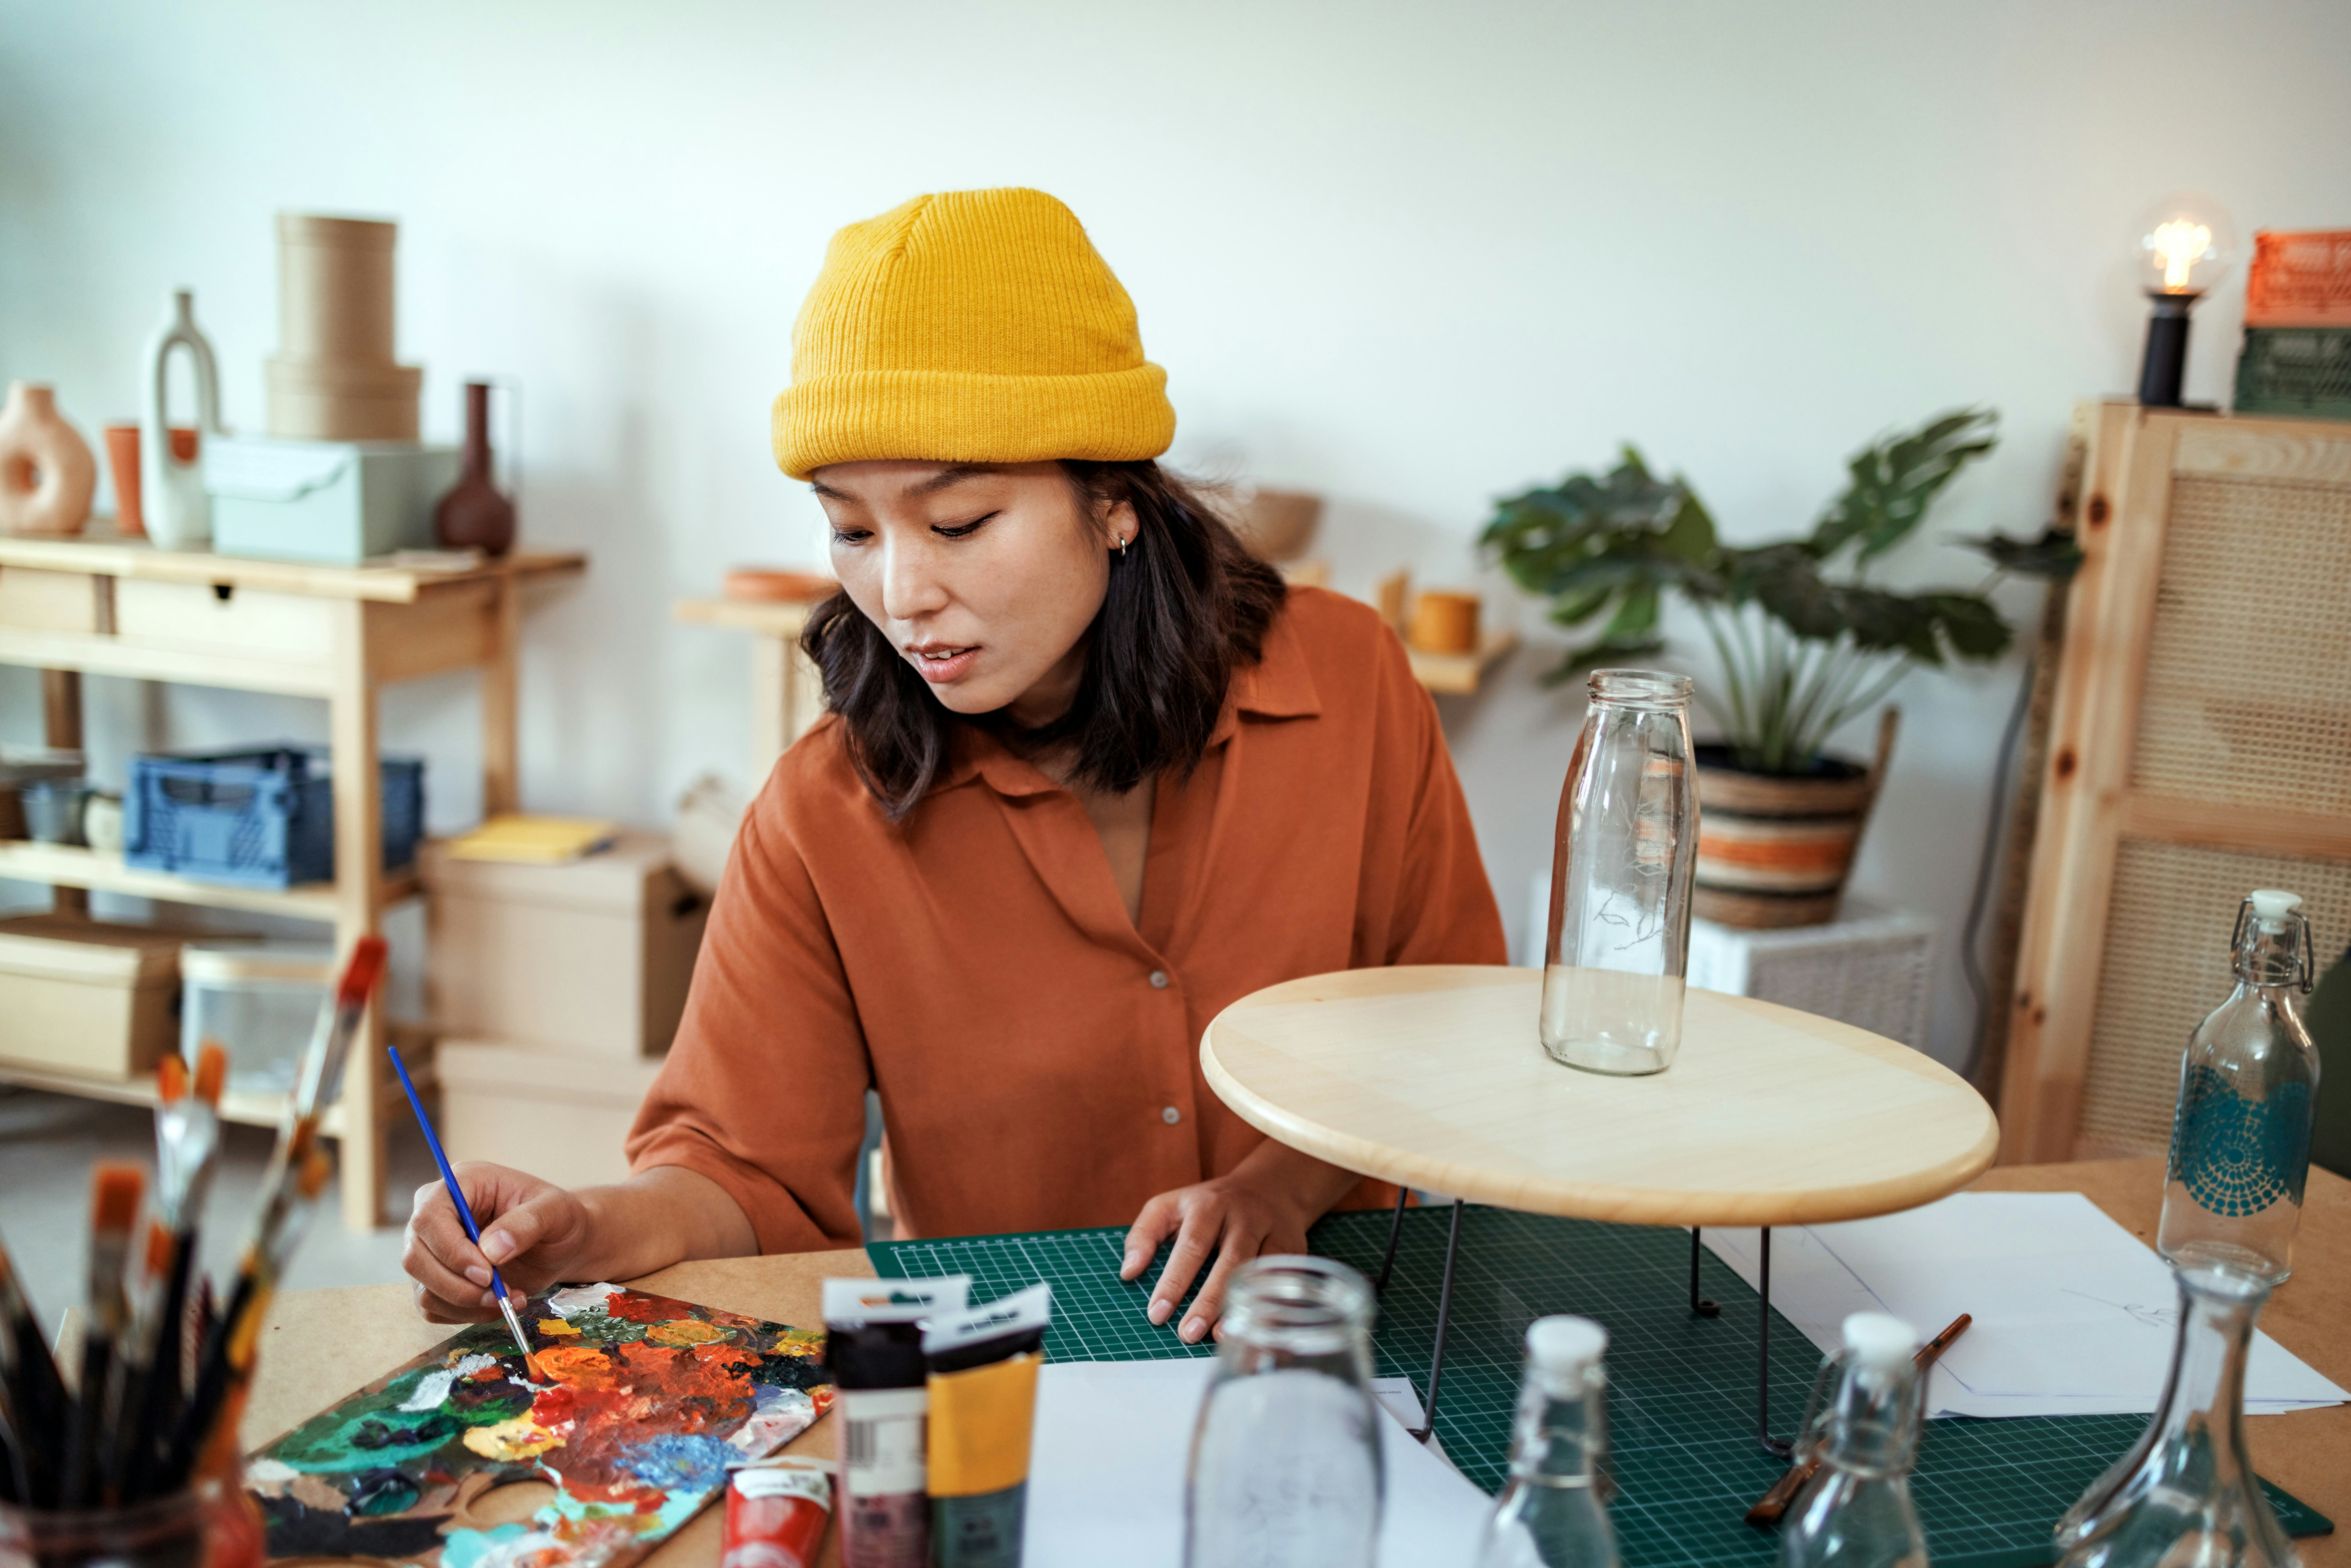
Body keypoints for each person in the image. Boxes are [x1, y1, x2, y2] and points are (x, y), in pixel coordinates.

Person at [401, 187, 1504, 1342]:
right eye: (852, 529)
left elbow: (1440, 1012)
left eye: (961, 521)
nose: (900, 592)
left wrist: (1276, 1187)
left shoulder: (1349, 681)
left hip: (1357, 1348)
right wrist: (583, 1228)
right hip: (1014, 1378)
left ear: (1114, 500)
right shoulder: (821, 816)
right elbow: (741, 1171)